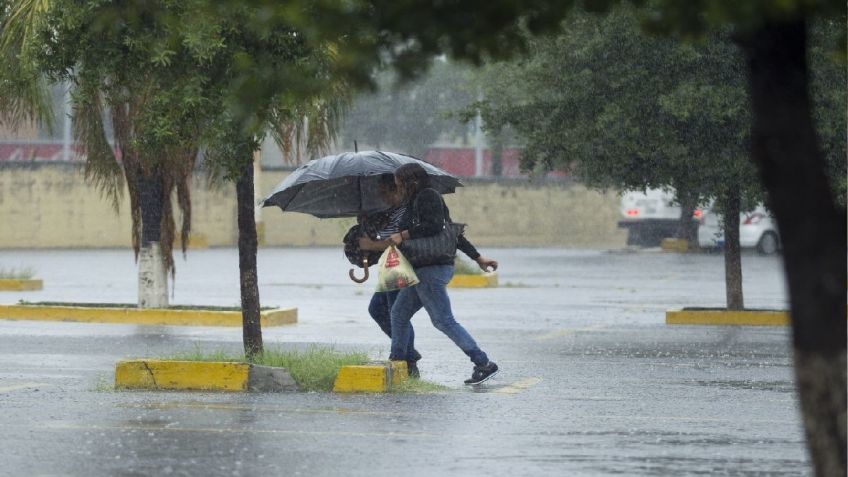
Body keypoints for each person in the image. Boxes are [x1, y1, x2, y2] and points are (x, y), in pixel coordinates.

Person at [358, 174, 496, 379]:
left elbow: (436, 226)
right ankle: (398, 362)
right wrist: (478, 258)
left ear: (410, 182)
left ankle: (483, 362)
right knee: (398, 314)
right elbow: (451, 232)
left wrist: (403, 235)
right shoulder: (413, 203)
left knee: (443, 320)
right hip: (421, 270)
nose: (399, 188)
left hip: (432, 269)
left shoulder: (428, 196)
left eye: (399, 184)